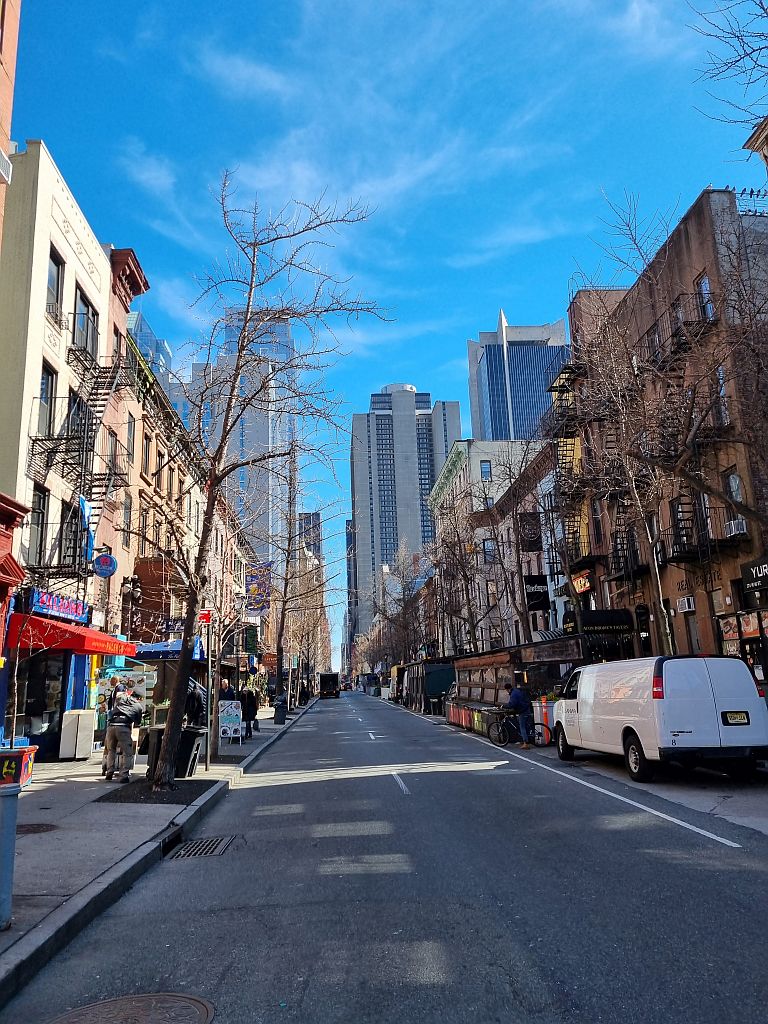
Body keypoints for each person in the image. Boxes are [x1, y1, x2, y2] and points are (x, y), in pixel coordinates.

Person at [104, 683, 143, 783]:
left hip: (111, 726)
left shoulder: (121, 700)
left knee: (111, 750)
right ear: (139, 698)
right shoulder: (138, 706)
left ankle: (109, 772)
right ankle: (124, 775)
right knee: (127, 752)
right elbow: (138, 722)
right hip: (123, 727)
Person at [503, 679, 534, 749]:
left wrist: (504, 706)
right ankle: (524, 739)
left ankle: (525, 743)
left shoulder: (513, 694)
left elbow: (512, 704)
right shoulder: (516, 691)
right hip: (526, 708)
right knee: (525, 726)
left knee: (522, 727)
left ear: (507, 689)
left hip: (523, 710)